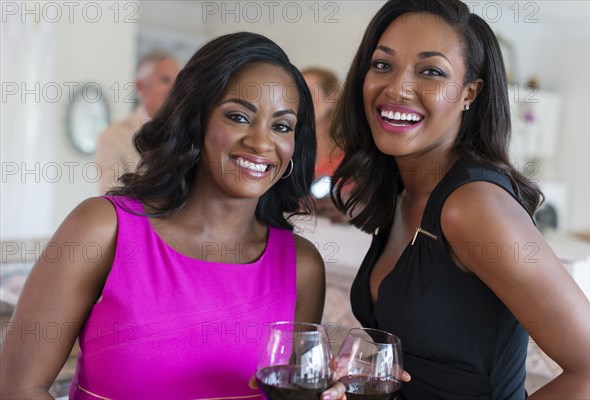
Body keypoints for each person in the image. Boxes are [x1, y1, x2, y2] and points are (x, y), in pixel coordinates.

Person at [0, 32, 346, 399]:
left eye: (281, 126)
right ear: (195, 119)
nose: (262, 143)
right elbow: (18, 387)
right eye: (238, 117)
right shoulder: (102, 229)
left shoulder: (300, 266)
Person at [330, 1, 590, 399]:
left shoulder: (473, 206)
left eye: (431, 72)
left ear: (469, 93)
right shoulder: (403, 191)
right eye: (383, 65)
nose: (397, 88)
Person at [96, 50, 180, 194]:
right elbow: (112, 196)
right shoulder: (113, 136)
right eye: (165, 80)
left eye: (177, 82)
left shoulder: (190, 131)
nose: (174, 89)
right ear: (141, 87)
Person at [302, 67, 347, 224]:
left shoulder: (353, 157)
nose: (301, 102)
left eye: (309, 93)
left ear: (332, 99)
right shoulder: (286, 152)